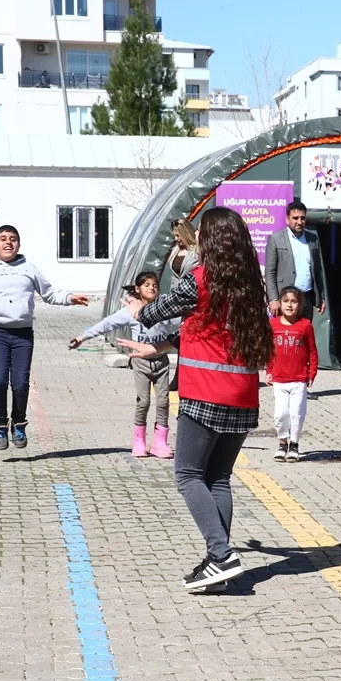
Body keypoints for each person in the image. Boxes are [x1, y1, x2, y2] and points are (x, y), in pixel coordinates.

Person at [122, 207, 273, 591]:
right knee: (217, 477)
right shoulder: (252, 284)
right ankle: (216, 562)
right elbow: (209, 330)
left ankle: (222, 554)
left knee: (188, 475)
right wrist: (157, 349)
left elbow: (154, 313)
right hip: (242, 394)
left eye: (201, 233)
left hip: (206, 393)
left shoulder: (200, 280)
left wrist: (139, 310)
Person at [0, 225, 88, 451]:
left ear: (19, 244)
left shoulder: (28, 268)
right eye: (3, 239)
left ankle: (19, 424)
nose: (8, 243)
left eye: (13, 239)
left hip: (23, 335)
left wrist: (70, 298)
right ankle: (0, 426)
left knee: (20, 384)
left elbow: (49, 293)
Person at [68, 271, 180, 459]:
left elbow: (183, 322)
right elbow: (107, 324)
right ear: (138, 289)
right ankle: (139, 441)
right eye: (147, 285)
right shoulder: (129, 312)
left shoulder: (164, 311)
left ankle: (160, 443)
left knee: (163, 401)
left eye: (154, 285)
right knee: (143, 401)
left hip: (161, 361)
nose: (151, 288)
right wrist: (82, 337)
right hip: (140, 362)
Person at [266, 286, 318, 463]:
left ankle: (294, 445)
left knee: (297, 413)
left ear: (300, 304)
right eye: (286, 301)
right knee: (280, 414)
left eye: (294, 301)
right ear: (279, 304)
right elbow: (269, 351)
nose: (289, 305)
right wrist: (269, 371)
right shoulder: (273, 325)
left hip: (299, 379)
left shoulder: (305, 325)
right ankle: (282, 443)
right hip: (279, 379)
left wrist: (312, 373)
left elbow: (312, 351)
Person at [266, 201, 326, 321]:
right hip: (285, 298)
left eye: (302, 218)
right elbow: (270, 272)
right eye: (295, 218)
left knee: (304, 333)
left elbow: (318, 270)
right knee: (286, 336)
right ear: (287, 219)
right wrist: (273, 299)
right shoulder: (276, 239)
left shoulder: (313, 239)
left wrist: (321, 297)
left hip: (306, 297)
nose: (299, 222)